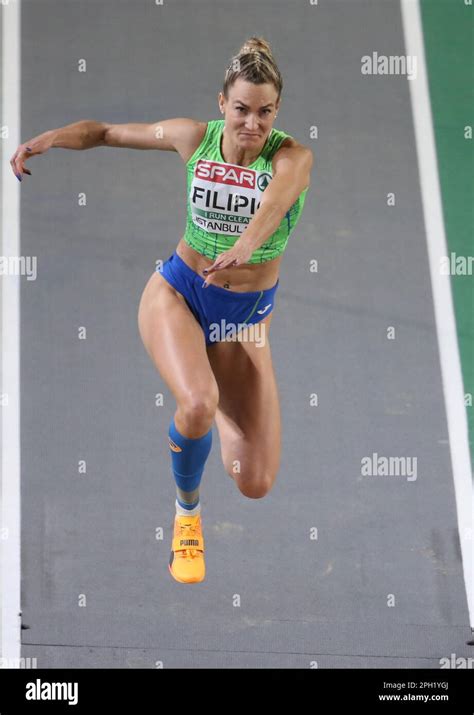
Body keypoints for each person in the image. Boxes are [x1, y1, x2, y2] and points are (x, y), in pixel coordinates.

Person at [10, 36, 313, 585]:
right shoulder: (191, 137)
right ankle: (187, 518)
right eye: (241, 109)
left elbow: (275, 203)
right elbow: (104, 133)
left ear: (277, 112)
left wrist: (246, 243)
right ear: (221, 104)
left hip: (242, 324)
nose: (252, 124)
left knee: (254, 480)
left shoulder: (292, 157)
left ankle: (217, 390)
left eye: (265, 112)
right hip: (178, 292)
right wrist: (53, 137)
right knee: (196, 403)